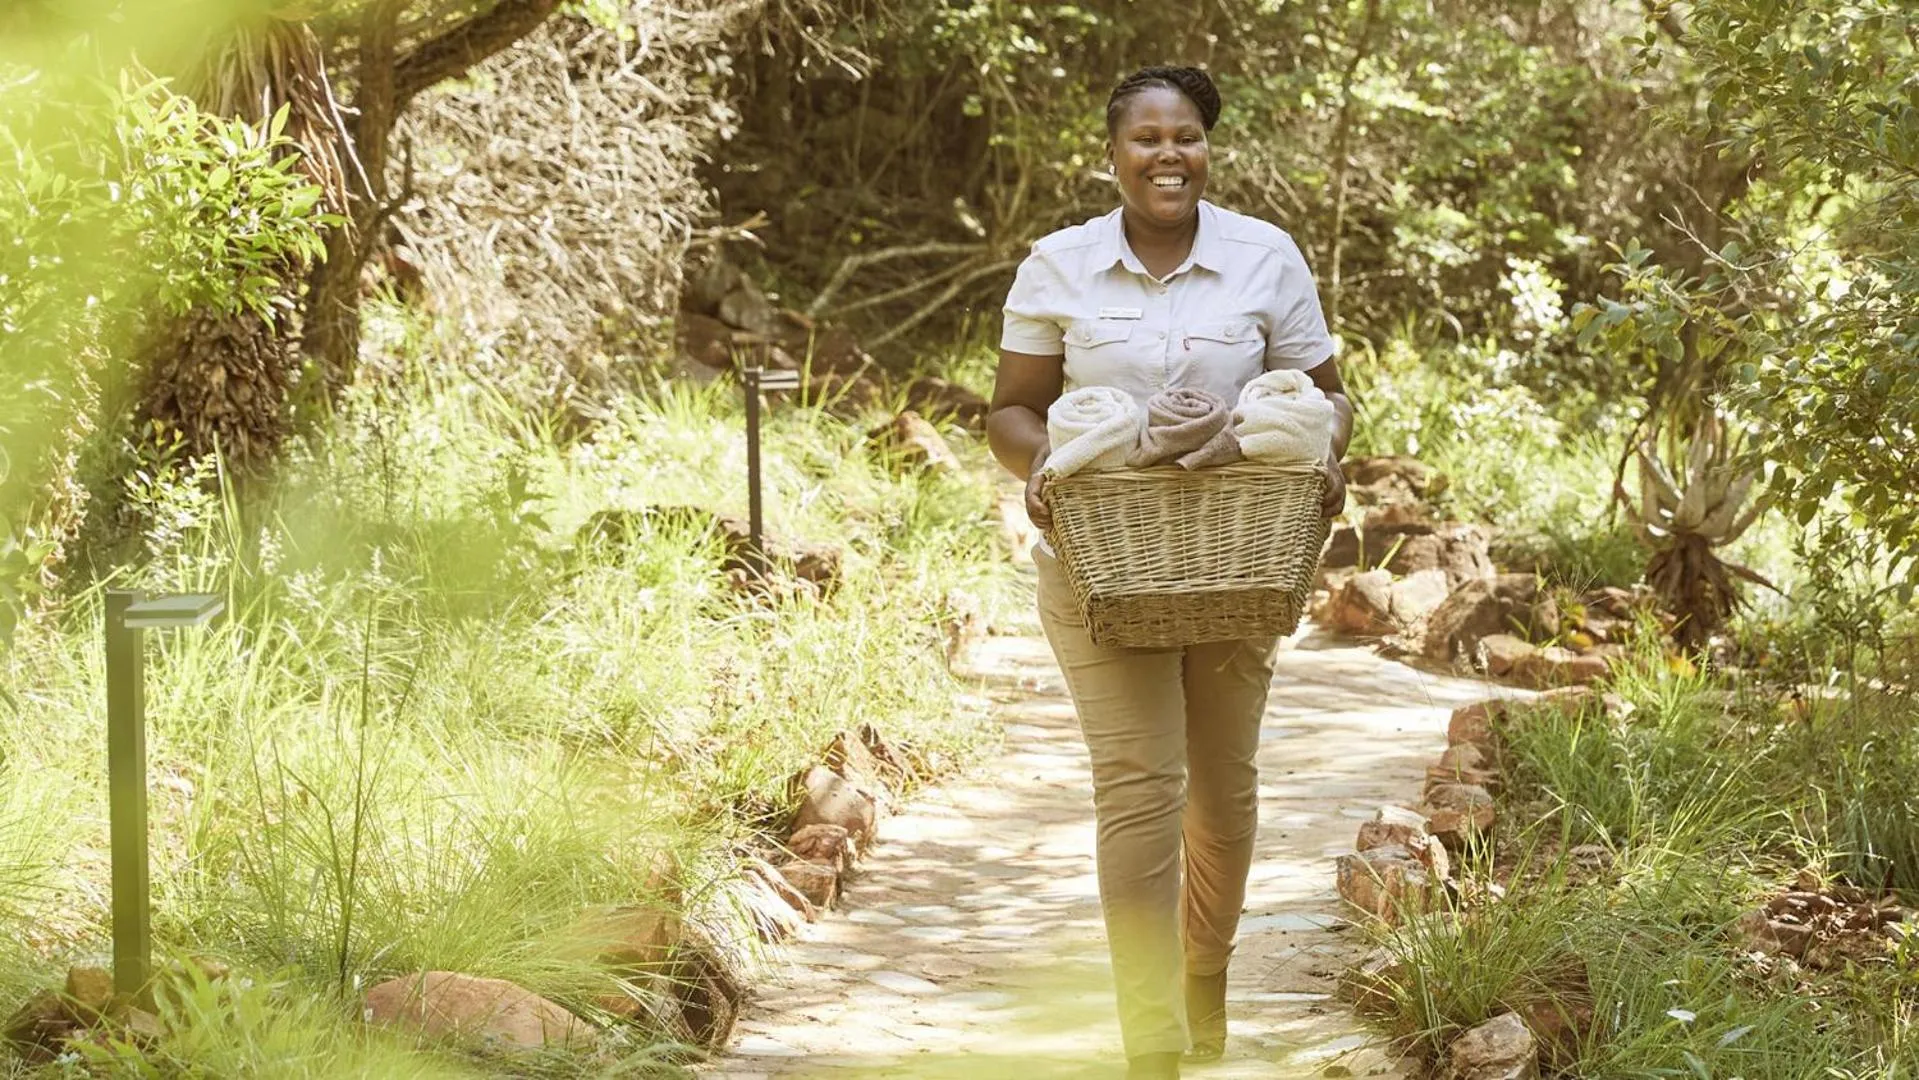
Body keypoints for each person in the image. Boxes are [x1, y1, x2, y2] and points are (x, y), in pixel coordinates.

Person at [984, 65, 1353, 1079]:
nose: (1166, 155)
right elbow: (1010, 412)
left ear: (1206, 148)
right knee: (1140, 784)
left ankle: (1203, 973)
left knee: (1220, 793)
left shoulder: (1262, 258)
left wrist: (1309, 451)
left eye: (1184, 136)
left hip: (1236, 564)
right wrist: (1049, 466)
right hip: (1100, 572)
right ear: (1111, 154)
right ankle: (1149, 1038)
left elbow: (1327, 398)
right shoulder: (1057, 266)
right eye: (1145, 138)